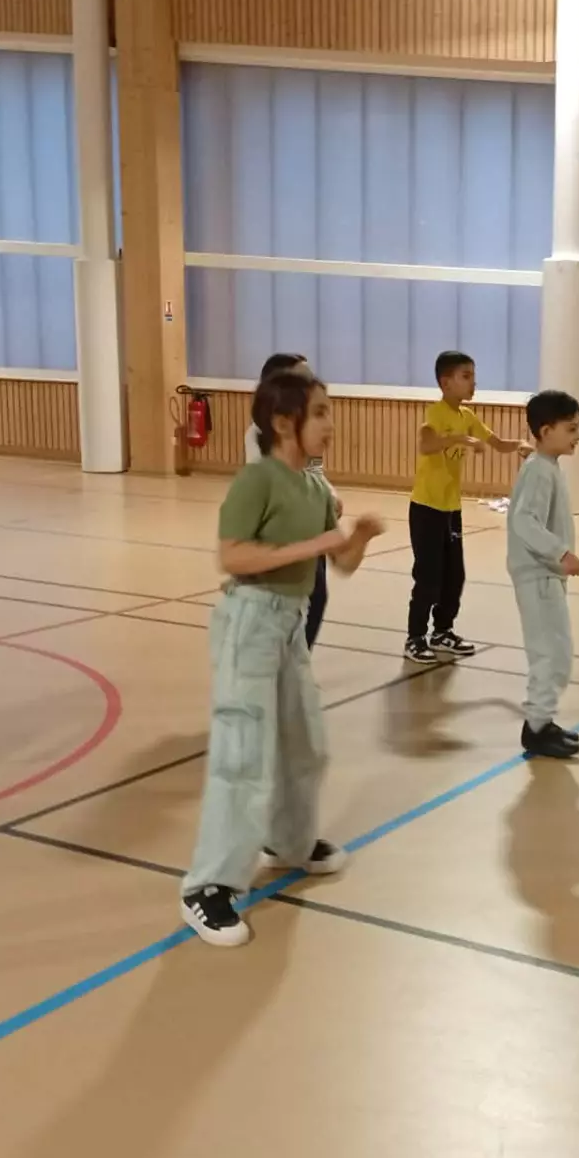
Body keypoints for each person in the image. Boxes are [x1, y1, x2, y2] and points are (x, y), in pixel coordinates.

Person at [181, 369, 385, 947]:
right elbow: (232, 557)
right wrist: (317, 545)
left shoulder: (316, 488)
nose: (330, 423)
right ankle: (207, 887)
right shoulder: (258, 480)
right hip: (250, 622)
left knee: (305, 743)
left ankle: (288, 842)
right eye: (319, 412)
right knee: (242, 756)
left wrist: (359, 537)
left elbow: (339, 564)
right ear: (281, 422)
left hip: (289, 627)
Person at [407, 349, 529, 664]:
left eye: (473, 376)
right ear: (445, 382)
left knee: (455, 575)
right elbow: (426, 443)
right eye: (466, 376)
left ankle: (443, 631)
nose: (473, 382)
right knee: (429, 576)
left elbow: (497, 444)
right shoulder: (436, 413)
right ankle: (415, 636)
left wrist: (521, 446)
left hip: (451, 509)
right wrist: (458, 440)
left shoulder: (467, 416)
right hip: (426, 508)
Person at [509, 390, 579, 760]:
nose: (578, 436)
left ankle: (542, 720)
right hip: (538, 576)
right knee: (551, 654)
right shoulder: (539, 469)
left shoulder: (545, 466)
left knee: (557, 651)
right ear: (545, 430)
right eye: (571, 428)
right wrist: (561, 552)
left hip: (546, 576)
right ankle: (537, 728)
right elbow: (523, 520)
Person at [245, 352, 342, 649]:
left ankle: (296, 660)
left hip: (311, 525)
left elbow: (313, 473)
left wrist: (329, 495)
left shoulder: (305, 429)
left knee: (316, 596)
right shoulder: (259, 434)